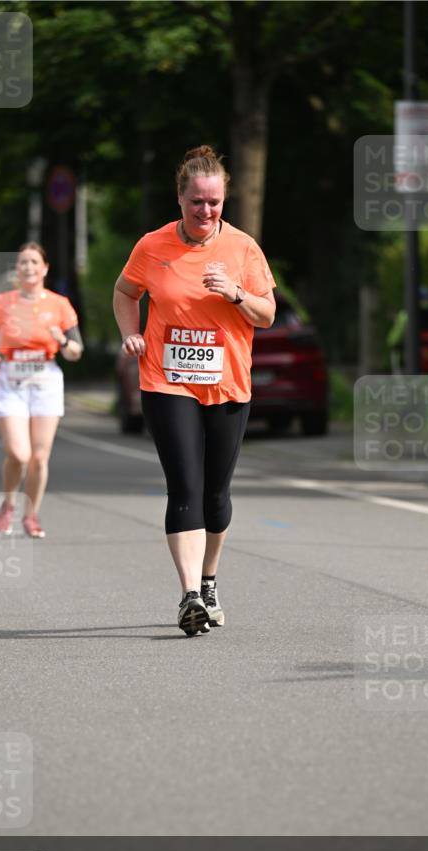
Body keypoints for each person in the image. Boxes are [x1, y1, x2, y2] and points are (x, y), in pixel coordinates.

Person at [113, 145, 276, 636]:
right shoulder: (152, 246)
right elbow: (125, 292)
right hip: (167, 380)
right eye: (197, 202)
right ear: (179, 199)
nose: (206, 212)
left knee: (216, 497)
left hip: (228, 382)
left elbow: (266, 314)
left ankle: (208, 580)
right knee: (184, 485)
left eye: (215, 203)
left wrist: (236, 292)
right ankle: (189, 597)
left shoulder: (243, 249)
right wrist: (130, 331)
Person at [0, 242, 83, 538]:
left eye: (34, 262)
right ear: (18, 269)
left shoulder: (59, 304)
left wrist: (62, 340)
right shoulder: (3, 302)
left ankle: (31, 515)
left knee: (40, 457)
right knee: (18, 453)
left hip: (46, 381)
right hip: (11, 381)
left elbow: (76, 351)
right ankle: (9, 503)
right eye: (23, 262)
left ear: (45, 268)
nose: (28, 267)